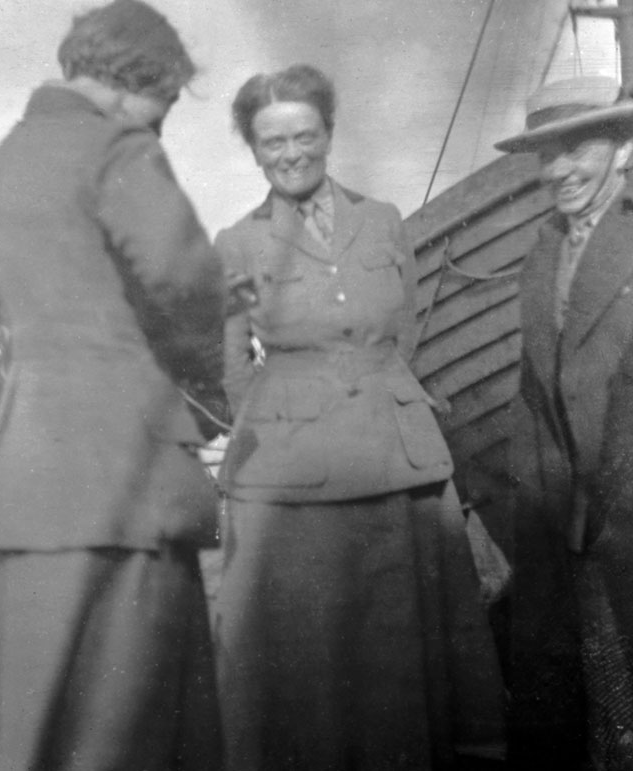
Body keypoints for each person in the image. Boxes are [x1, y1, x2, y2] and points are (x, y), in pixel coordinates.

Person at [212, 64, 504, 770]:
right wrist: (283, 426)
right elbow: (232, 367)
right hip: (297, 473)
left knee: (402, 636)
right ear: (253, 150)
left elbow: (400, 329)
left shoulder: (382, 220)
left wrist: (374, 393)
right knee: (313, 639)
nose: (291, 153)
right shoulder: (236, 243)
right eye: (272, 141)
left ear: (328, 135)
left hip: (396, 458)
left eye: (304, 135)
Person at [0, 2, 227, 769]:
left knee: (45, 712)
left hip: (28, 478)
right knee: (135, 717)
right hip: (124, 473)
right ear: (134, 80)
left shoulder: (8, 155)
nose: (163, 122)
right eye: (167, 101)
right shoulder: (119, 147)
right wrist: (203, 391)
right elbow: (187, 281)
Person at [495, 76, 633, 770]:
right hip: (569, 517)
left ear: (620, 144)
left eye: (576, 149)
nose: (558, 171)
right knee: (592, 690)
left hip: (626, 507)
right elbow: (535, 388)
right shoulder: (546, 245)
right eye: (546, 155)